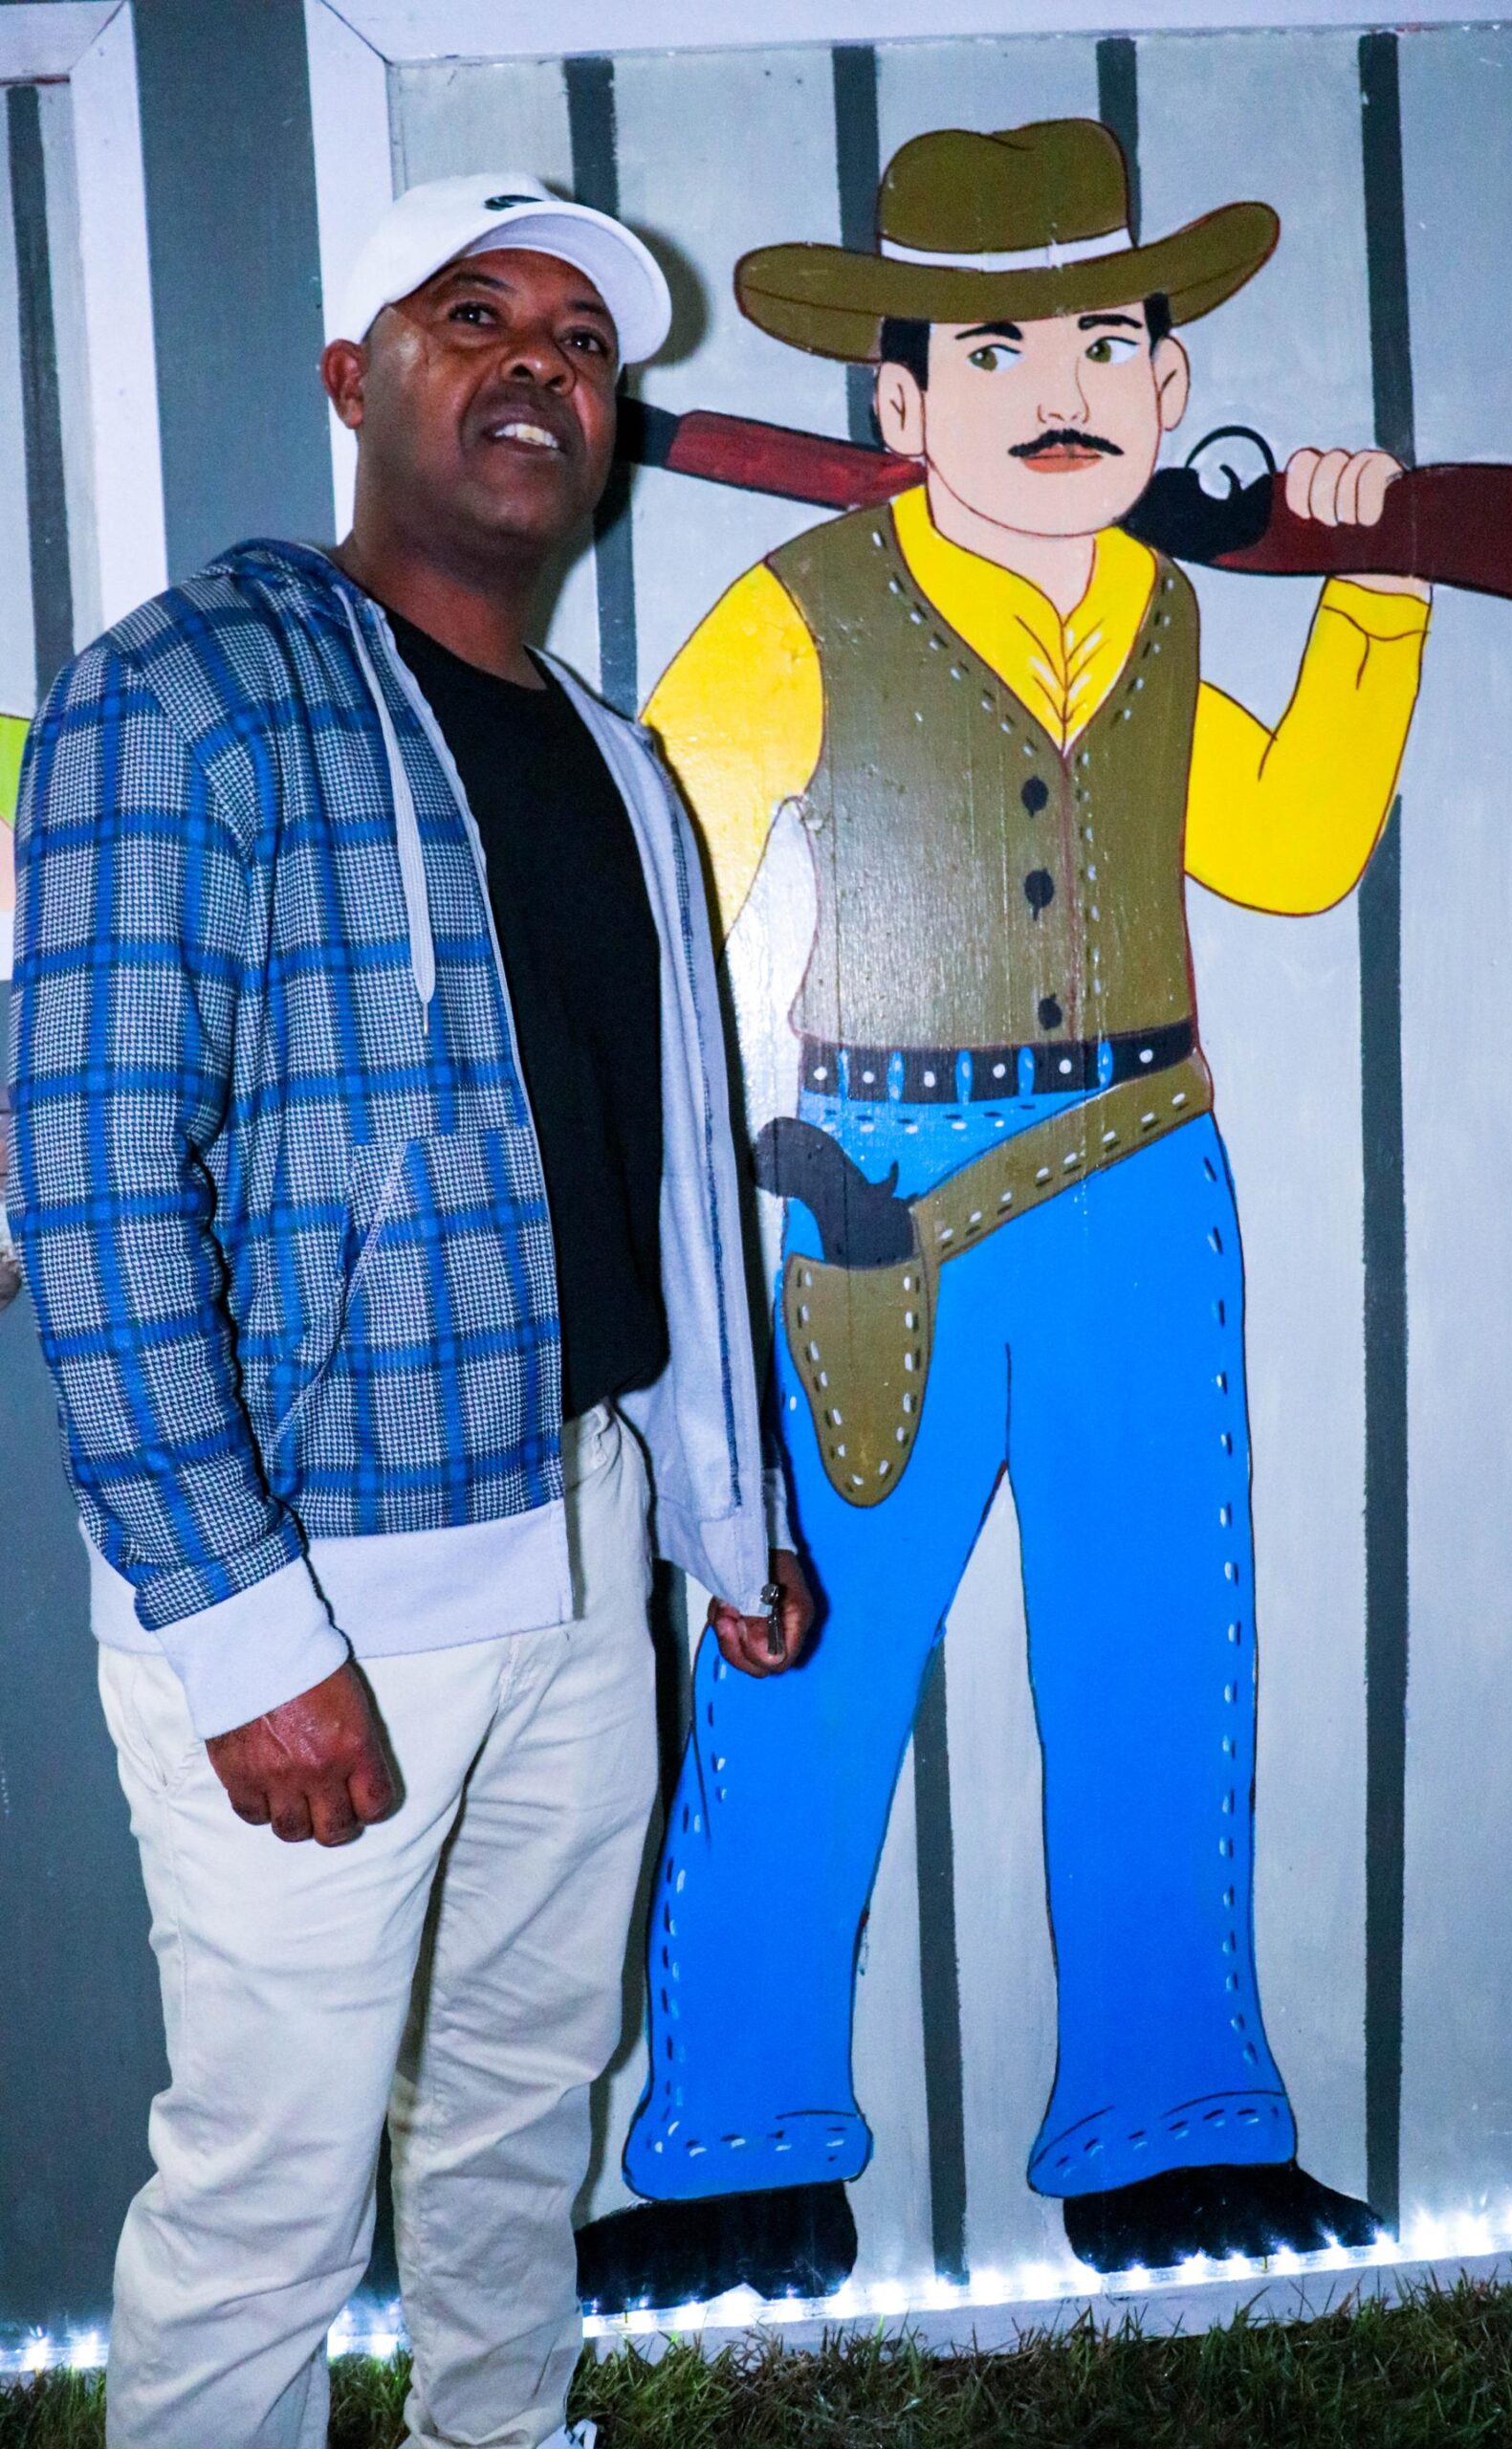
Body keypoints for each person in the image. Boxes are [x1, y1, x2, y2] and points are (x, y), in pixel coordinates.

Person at [577, 117, 1430, 2310]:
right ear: (902, 399)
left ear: (1163, 386)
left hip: (1140, 1185)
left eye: (1102, 345)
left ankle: (1173, 2128)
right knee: (802, 1652)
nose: (1057, 389)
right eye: (992, 351)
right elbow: (654, 887)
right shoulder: (799, 612)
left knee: (1160, 1650)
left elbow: (1283, 848)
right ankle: (735, 2146)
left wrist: (1374, 590)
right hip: (884, 1199)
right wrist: (737, 1159)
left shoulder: (1159, 605)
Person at [8, 171, 811, 2449]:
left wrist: (719, 1513)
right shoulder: (193, 689)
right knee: (272, 2186)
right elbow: (86, 1175)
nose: (538, 359)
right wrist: (244, 1630)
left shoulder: (612, 756)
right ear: (353, 379)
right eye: (475, 313)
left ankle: (501, 2427)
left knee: (523, 2103)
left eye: (581, 340)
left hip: (581, 1543)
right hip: (316, 1576)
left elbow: (654, 1161)